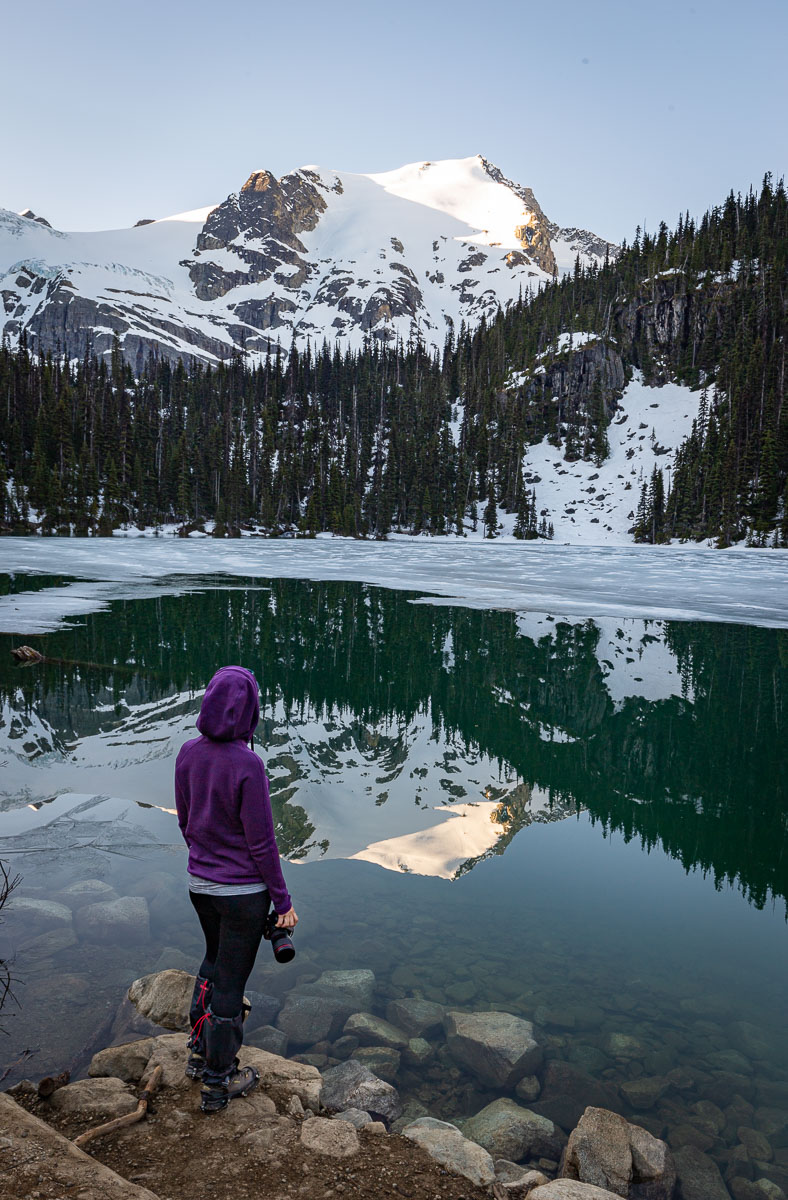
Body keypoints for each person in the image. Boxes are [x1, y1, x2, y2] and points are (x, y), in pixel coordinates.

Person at [175, 665, 297, 1113]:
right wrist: (282, 902)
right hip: (243, 895)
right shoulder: (248, 765)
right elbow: (262, 842)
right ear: (250, 712)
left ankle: (197, 1053)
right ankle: (218, 1081)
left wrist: (205, 860)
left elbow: (187, 822)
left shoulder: (187, 753)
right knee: (231, 982)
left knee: (211, 960)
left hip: (199, 886)